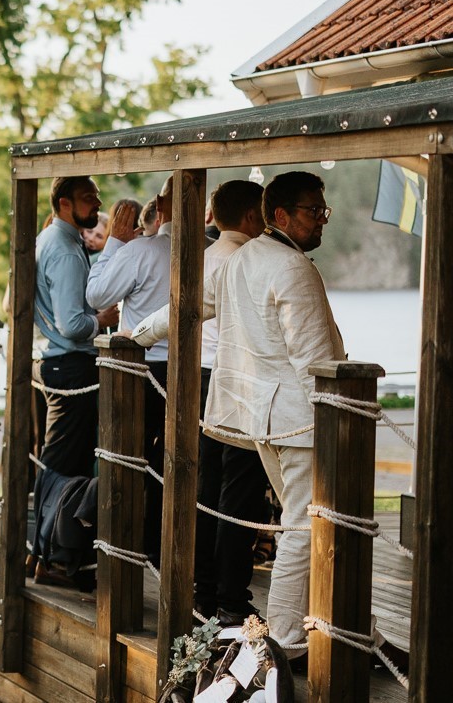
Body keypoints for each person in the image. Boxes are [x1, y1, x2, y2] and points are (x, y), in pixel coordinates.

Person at [201, 171, 344, 651]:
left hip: (261, 418)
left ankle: (334, 623)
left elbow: (190, 307)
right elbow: (314, 358)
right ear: (280, 214)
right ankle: (284, 640)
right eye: (312, 211)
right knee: (304, 527)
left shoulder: (240, 259)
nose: (322, 220)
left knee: (308, 523)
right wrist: (336, 419)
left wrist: (137, 336)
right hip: (299, 420)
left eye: (324, 211)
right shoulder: (290, 267)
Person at [130, 180, 268, 625]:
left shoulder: (202, 258)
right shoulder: (248, 261)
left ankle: (203, 588)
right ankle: (230, 596)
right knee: (238, 494)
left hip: (199, 380)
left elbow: (173, 312)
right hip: (235, 382)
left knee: (206, 489)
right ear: (251, 217)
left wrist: (135, 336)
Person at [85, 177, 174, 561]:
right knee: (170, 462)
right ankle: (158, 545)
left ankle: (117, 543)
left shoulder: (140, 250)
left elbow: (97, 295)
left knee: (127, 456)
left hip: (143, 371)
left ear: (159, 205)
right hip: (193, 372)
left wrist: (115, 243)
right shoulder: (207, 250)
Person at [33, 176, 119, 478]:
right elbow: (70, 325)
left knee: (60, 460)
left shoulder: (51, 239)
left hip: (55, 363)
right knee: (64, 465)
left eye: (96, 195)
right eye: (88, 197)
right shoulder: (66, 251)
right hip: (69, 366)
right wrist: (103, 320)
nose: (97, 202)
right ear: (64, 203)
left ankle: (52, 524)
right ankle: (52, 526)